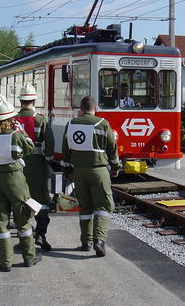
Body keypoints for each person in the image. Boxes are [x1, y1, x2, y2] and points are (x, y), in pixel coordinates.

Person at [0, 94, 41, 272]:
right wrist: (21, 131)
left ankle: (5, 261)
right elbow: (30, 148)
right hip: (14, 178)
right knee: (23, 219)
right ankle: (29, 257)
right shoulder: (14, 135)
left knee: (1, 222)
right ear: (10, 119)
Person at [61, 96, 120, 256]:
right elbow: (112, 149)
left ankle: (85, 242)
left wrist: (67, 172)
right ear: (95, 109)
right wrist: (115, 167)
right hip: (99, 170)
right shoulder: (102, 123)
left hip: (79, 172)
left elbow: (65, 151)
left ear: (80, 109)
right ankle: (99, 240)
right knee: (104, 205)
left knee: (85, 207)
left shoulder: (71, 124)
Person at [16, 82, 55, 252]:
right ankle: (40, 234)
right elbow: (50, 143)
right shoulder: (40, 119)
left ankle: (24, 238)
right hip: (37, 163)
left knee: (21, 201)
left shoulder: (13, 119)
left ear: (20, 101)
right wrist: (48, 159)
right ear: (34, 100)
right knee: (42, 201)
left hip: (18, 165)